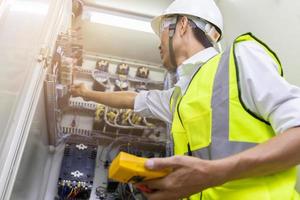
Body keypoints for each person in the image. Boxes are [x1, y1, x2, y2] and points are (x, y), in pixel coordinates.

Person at [70, 0, 300, 199]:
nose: (159, 44)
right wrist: (85, 93)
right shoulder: (180, 98)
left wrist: (214, 173)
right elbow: (132, 99)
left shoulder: (239, 58)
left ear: (181, 25)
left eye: (161, 30)